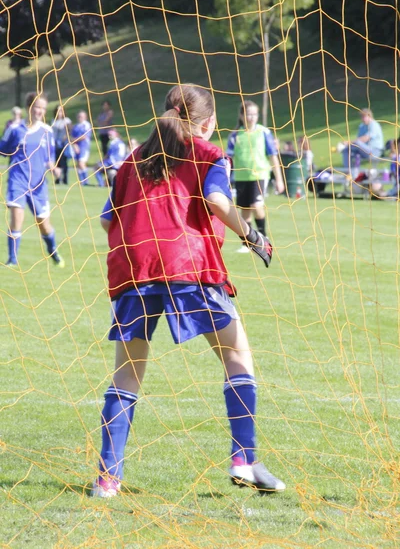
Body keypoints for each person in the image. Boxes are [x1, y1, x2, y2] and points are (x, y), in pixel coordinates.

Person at [92, 84, 286, 498]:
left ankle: (108, 479)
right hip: (188, 265)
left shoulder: (133, 159)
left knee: (127, 373)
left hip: (134, 268)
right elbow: (216, 199)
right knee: (236, 356)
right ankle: (244, 459)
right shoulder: (212, 155)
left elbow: (109, 222)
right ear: (210, 123)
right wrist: (252, 236)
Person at [0, 92, 64, 267]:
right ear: (29, 107)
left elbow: (49, 159)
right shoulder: (14, 129)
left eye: (43, 108)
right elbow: (2, 149)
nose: (40, 111)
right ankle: (12, 260)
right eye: (37, 107)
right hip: (17, 181)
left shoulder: (47, 131)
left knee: (43, 224)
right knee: (16, 217)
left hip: (38, 185)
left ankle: (53, 251)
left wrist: (54, 169)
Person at [227, 100, 284, 253]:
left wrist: (279, 179)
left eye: (254, 114)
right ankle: (247, 243)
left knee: (256, 206)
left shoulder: (263, 132)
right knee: (244, 210)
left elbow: (273, 156)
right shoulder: (235, 135)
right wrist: (226, 178)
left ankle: (263, 238)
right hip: (241, 177)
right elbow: (229, 159)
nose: (251, 117)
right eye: (248, 114)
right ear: (241, 115)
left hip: (260, 175)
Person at [340, 108, 384, 176]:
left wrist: (349, 143)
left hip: (375, 151)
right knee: (346, 150)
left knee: (356, 143)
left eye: (364, 116)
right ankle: (349, 174)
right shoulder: (362, 126)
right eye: (361, 117)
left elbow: (365, 138)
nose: (362, 119)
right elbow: (359, 139)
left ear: (369, 116)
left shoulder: (374, 125)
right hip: (363, 150)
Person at [52, 105, 72, 185]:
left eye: (60, 111)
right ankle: (58, 178)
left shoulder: (66, 120)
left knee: (64, 162)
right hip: (55, 144)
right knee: (57, 162)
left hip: (63, 144)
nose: (59, 113)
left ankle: (65, 178)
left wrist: (65, 137)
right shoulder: (53, 121)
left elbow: (70, 130)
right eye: (58, 111)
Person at [71, 111, 92, 185]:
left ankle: (86, 181)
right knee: (78, 164)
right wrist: (74, 145)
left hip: (84, 146)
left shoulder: (86, 125)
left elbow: (85, 136)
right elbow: (72, 137)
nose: (80, 118)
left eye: (82, 116)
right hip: (77, 146)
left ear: (85, 117)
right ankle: (81, 181)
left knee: (81, 162)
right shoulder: (76, 126)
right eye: (79, 116)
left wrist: (74, 140)